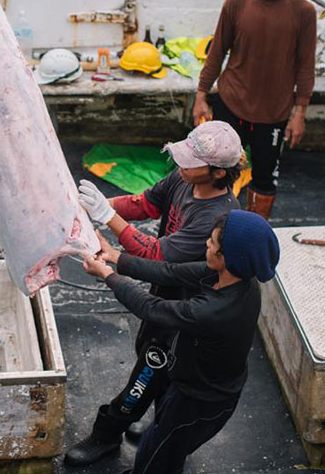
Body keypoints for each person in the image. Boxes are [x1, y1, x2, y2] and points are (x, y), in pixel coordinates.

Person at [65, 120, 243, 466]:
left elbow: (155, 253)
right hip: (165, 285)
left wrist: (108, 221)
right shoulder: (183, 177)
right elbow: (145, 204)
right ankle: (161, 422)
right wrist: (99, 206)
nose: (182, 165)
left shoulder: (217, 218)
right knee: (152, 360)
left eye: (191, 162)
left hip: (186, 310)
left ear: (218, 173)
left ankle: (107, 433)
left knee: (149, 370)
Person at [82, 209, 280, 474]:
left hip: (199, 400)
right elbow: (170, 272)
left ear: (225, 257)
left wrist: (108, 276)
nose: (206, 244)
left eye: (212, 242)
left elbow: (151, 307)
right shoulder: (232, 276)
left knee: (159, 453)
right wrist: (115, 257)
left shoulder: (214, 310)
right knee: (161, 440)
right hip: (188, 384)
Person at [193, 0, 317, 220]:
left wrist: (300, 112)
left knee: (263, 180)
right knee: (216, 173)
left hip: (273, 114)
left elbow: (305, 65)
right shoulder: (236, 3)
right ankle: (209, 231)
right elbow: (217, 52)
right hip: (230, 103)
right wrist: (201, 95)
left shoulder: (304, 12)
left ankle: (252, 236)